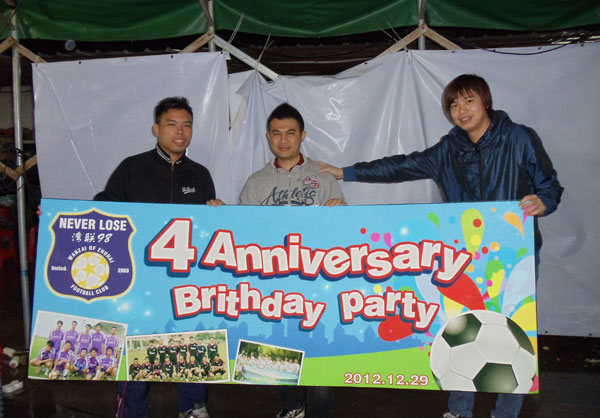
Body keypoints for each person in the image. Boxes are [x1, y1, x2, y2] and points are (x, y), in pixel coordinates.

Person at [317, 74, 563, 418]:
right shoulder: (449, 149)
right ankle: (460, 409)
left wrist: (543, 201)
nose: (461, 110)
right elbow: (401, 166)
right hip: (463, 256)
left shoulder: (519, 138)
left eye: (469, 101)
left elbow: (549, 185)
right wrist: (345, 173)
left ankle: (506, 412)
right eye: (454, 104)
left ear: (485, 102)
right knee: (460, 328)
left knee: (512, 332)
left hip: (514, 254)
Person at [96, 97, 221, 418]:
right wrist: (59, 217)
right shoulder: (132, 168)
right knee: (137, 354)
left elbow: (208, 233)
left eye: (186, 125)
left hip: (187, 283)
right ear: (156, 129)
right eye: (171, 124)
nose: (180, 132)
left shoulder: (200, 174)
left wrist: (218, 214)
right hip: (139, 283)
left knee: (192, 346)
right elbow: (102, 211)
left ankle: (193, 407)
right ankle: (132, 412)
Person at [240, 103, 344, 418]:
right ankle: (293, 406)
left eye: (290, 133)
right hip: (272, 284)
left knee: (320, 358)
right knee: (278, 351)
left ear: (303, 136)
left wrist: (341, 213)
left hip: (318, 283)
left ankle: (319, 412)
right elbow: (243, 234)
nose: (283, 140)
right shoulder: (255, 182)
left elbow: (342, 232)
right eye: (276, 133)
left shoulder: (323, 177)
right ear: (268, 137)